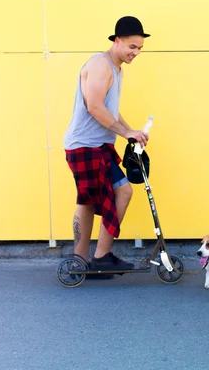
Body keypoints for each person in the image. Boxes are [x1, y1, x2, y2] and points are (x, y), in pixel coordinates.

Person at [63, 16, 151, 271]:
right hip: (84, 145)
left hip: (99, 145)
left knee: (120, 192)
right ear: (117, 40)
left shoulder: (116, 68)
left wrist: (130, 131)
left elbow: (109, 109)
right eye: (132, 46)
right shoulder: (101, 64)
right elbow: (94, 106)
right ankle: (80, 261)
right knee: (87, 200)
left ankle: (100, 257)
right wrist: (125, 134)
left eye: (139, 49)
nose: (135, 53)